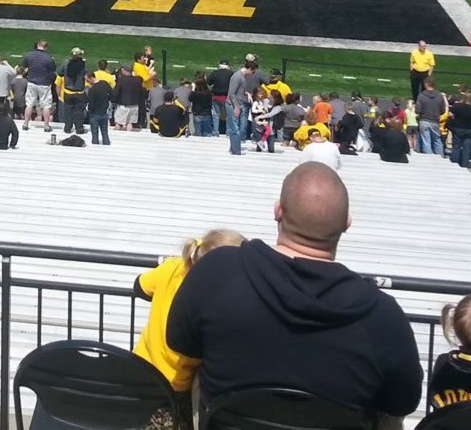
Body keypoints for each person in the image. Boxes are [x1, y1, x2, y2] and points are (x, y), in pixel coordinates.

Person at [165, 165, 422, 424]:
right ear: (347, 224)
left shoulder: (218, 269)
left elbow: (179, 342)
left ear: (278, 211)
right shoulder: (383, 315)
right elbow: (402, 400)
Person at [132, 230, 246, 425]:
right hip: (176, 384)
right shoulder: (217, 295)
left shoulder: (173, 267)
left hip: (140, 368)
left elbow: (139, 286)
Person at [21, 40, 57, 133]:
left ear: (37, 45)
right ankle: (46, 125)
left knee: (29, 104)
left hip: (32, 82)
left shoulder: (29, 55)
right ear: (46, 47)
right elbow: (53, 69)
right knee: (46, 105)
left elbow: (23, 67)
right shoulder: (48, 58)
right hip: (44, 84)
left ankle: (25, 123)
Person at [414, 78, 447, 157]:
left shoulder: (421, 95)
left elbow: (417, 110)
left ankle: (429, 158)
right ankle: (440, 158)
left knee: (426, 141)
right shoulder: (439, 95)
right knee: (437, 140)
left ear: (426, 84)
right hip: (435, 121)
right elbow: (443, 110)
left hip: (424, 120)